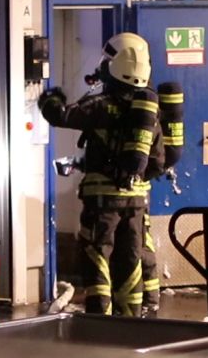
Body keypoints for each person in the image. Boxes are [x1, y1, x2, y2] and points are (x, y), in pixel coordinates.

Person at [39, 33, 160, 317]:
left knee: (97, 255)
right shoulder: (149, 112)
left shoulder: (101, 104)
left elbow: (60, 115)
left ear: (115, 66)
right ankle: (130, 321)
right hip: (137, 201)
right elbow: (158, 160)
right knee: (130, 259)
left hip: (102, 203)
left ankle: (98, 320)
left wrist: (50, 98)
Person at [139, 82, 185, 316]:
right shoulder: (152, 111)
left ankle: (146, 300)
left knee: (138, 244)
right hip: (141, 190)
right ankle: (150, 300)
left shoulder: (141, 110)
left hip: (133, 191)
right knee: (143, 243)